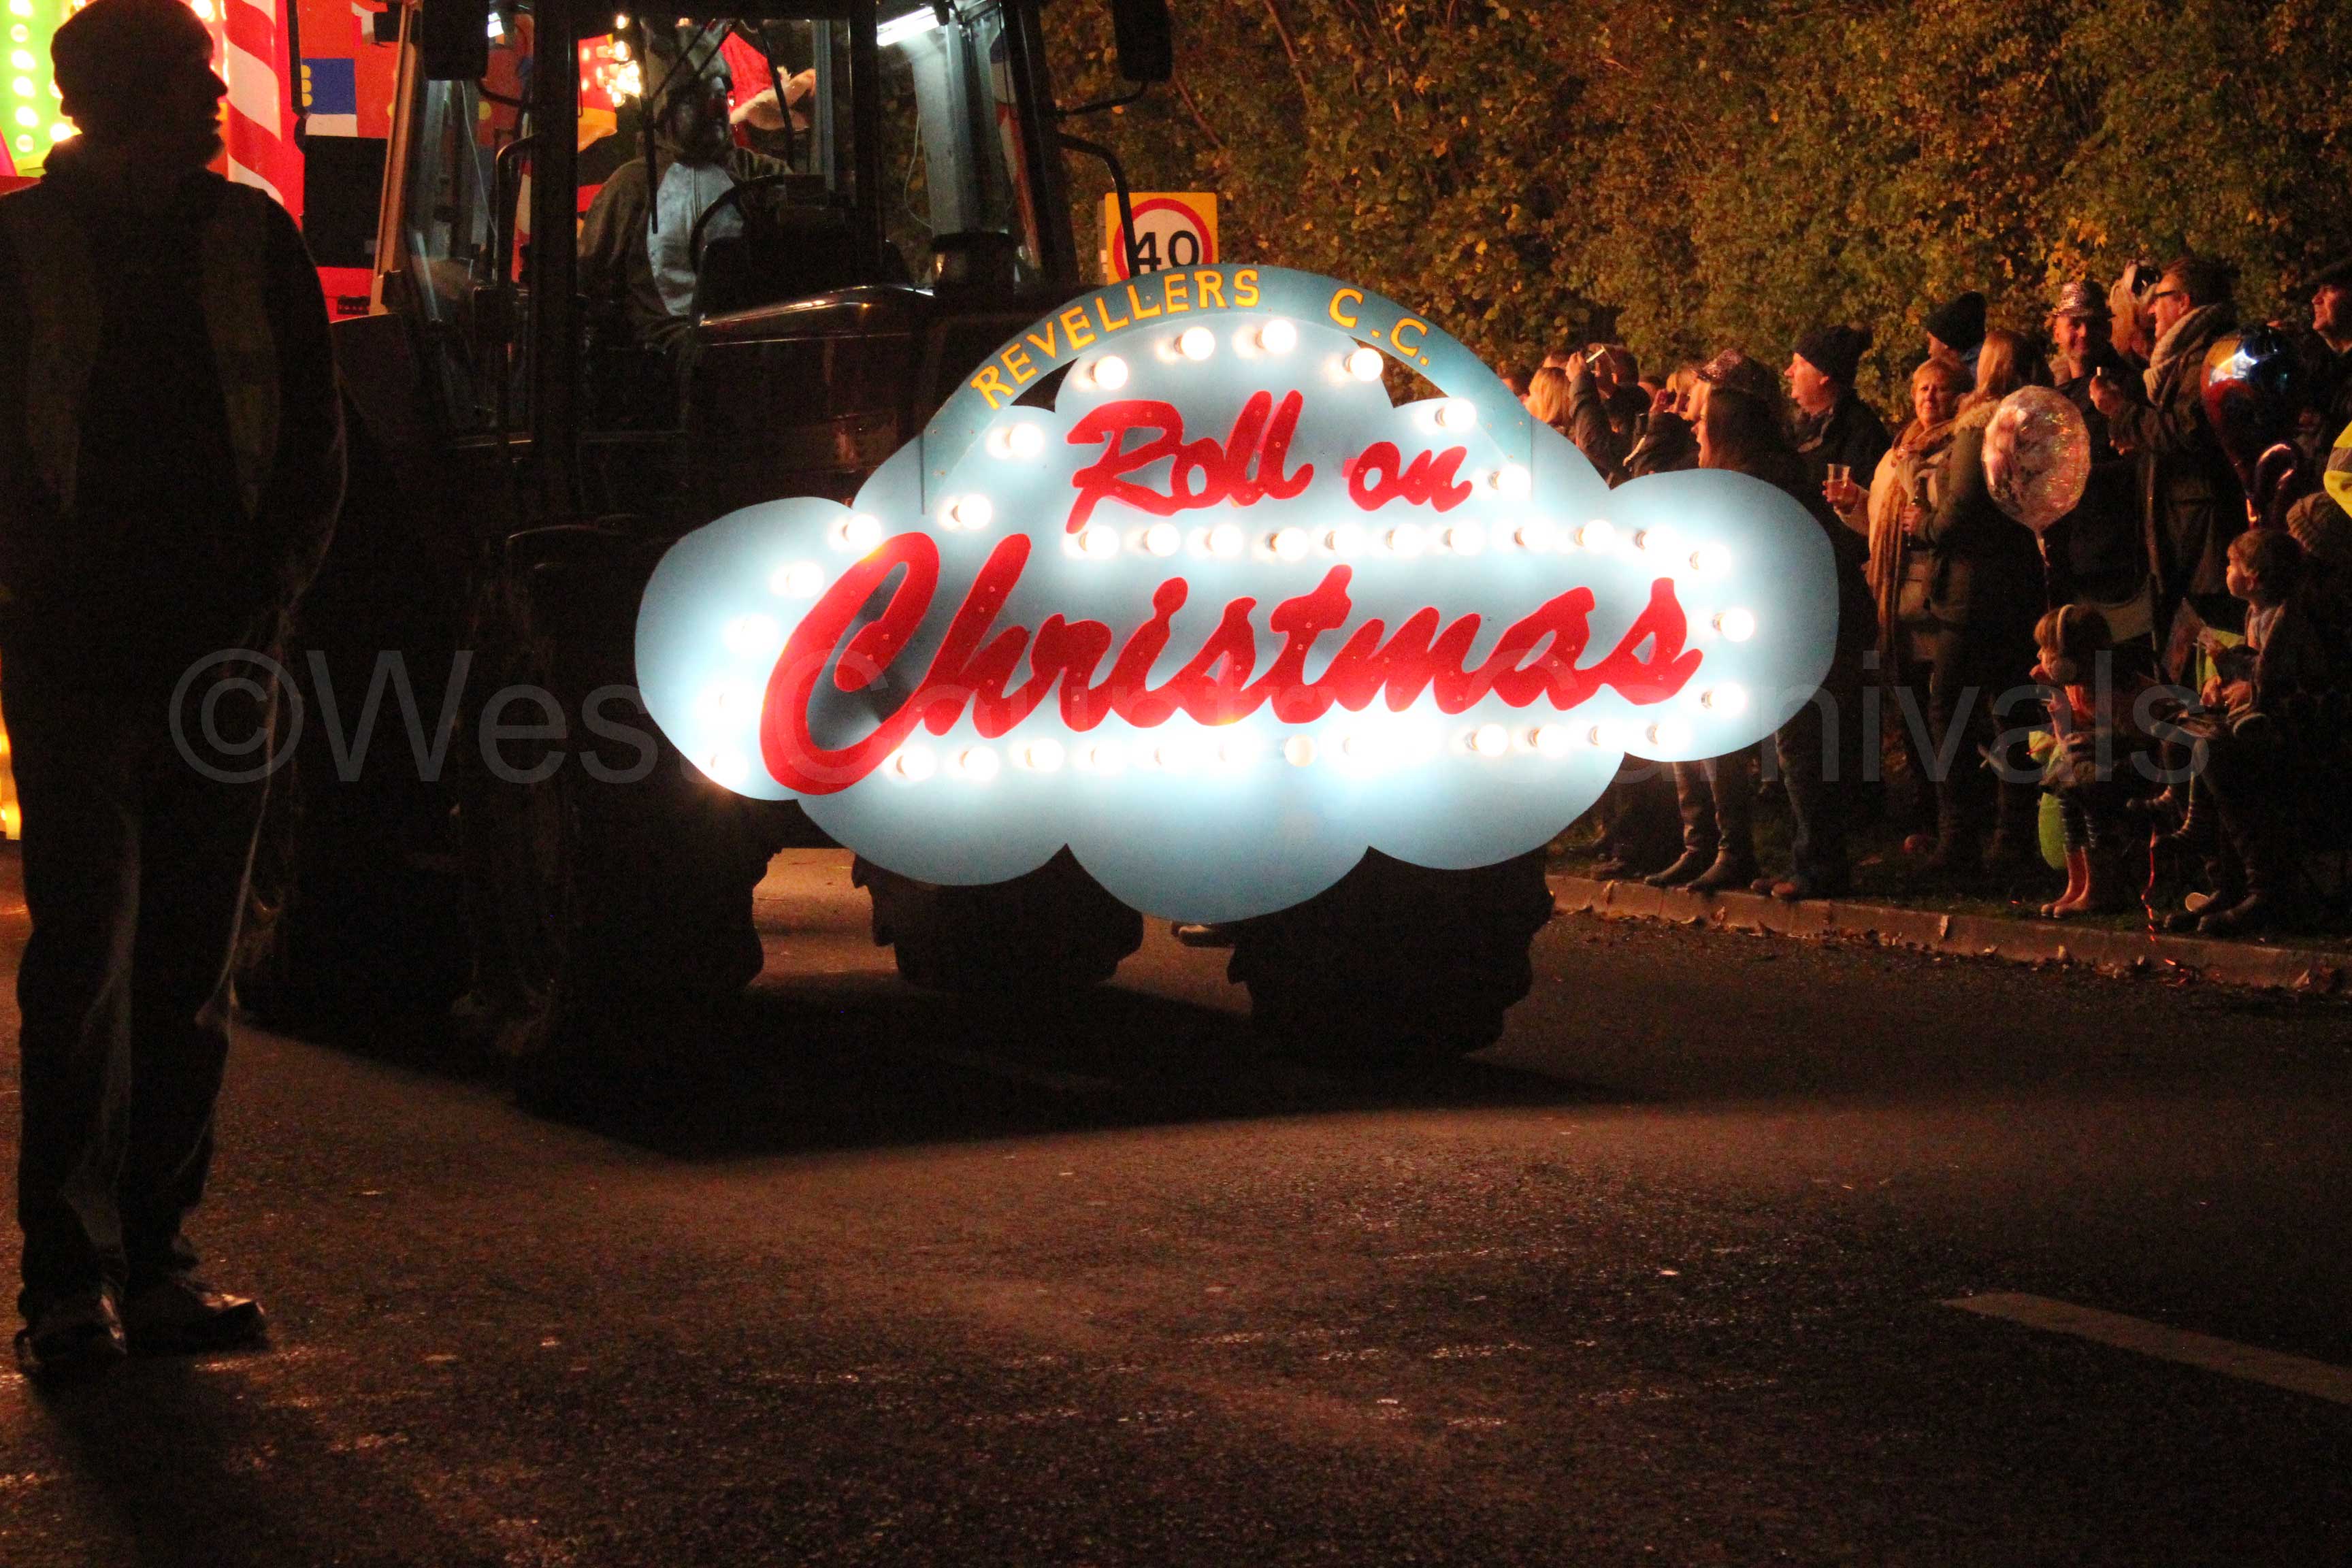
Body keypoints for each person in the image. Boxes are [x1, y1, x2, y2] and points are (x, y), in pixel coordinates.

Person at [0, 0, 342, 1377]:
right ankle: (68, 1283)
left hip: (219, 655)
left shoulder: (254, 239)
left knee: (188, 969)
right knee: (86, 966)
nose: (215, 97)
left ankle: (154, 1263)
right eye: (193, 77)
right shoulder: (19, 246)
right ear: (120, 96)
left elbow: (311, 441)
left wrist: (270, 597)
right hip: (77, 657)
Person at [1698, 386, 1876, 898]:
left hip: (1809, 624)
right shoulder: (1771, 474)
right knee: (1800, 743)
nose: (1695, 428)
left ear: (1725, 429)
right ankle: (1810, 861)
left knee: (1802, 745)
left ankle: (1819, 869)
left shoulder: (1756, 483)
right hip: (1813, 620)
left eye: (1703, 419)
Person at [1909, 331, 2051, 884]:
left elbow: (1960, 511)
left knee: (1949, 712)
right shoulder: (2040, 426)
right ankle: (2014, 839)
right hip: (2019, 586)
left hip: (1972, 594)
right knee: (2013, 711)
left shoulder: (1981, 427)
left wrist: (1923, 525)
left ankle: (1959, 842)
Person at [2162, 529, 2334, 934]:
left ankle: (2264, 890)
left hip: (2293, 732)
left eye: (2230, 564)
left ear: (2253, 578)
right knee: (2179, 741)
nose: (2225, 571)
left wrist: (2243, 682)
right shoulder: (2254, 614)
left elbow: (2277, 677)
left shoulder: (2292, 617)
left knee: (2216, 753)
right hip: (2259, 718)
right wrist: (2222, 682)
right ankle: (2224, 879)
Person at [579, 29, 791, 355]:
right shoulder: (631, 187)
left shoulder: (762, 175)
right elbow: (589, 279)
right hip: (663, 352)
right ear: (666, 112)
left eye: (719, 95)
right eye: (695, 100)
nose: (714, 109)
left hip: (750, 336)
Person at [1831, 357, 1971, 845]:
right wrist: (1854, 503)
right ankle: (1925, 807)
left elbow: (1950, 517)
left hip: (1935, 595)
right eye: (1923, 388)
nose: (1929, 397)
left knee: (1944, 713)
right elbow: (1879, 525)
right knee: (1910, 709)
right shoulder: (1898, 450)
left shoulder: (1960, 447)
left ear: (1958, 396)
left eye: (1940, 388)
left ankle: (1956, 817)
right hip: (1895, 600)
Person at [2091, 252, 2248, 636]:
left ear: (2184, 302)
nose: (2150, 310)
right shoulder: (2188, 355)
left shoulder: (2208, 356)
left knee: (2208, 645)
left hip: (2201, 539)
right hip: (2187, 532)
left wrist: (2120, 411)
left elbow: (2188, 432)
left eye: (2160, 298)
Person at [2042, 280, 2151, 645]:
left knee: (2110, 656)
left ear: (2107, 329)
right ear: (2058, 331)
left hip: (2111, 555)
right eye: (2075, 323)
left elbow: (2137, 463)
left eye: (2093, 323)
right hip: (2068, 554)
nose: (2084, 333)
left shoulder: (2125, 388)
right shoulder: (2056, 394)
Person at [2029, 606, 2155, 918]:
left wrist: (2091, 742)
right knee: (2066, 780)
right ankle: (2079, 882)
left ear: (2070, 658)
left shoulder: (2115, 689)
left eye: (2047, 648)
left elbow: (2138, 740)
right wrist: (2058, 707)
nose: (2041, 655)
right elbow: (2067, 743)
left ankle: (2102, 886)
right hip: (2107, 758)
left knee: (2086, 784)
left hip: (2145, 761)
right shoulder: (2076, 687)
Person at [1787, 324, 1891, 497]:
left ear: (1824, 375)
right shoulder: (1800, 428)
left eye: (1798, 365)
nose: (1788, 372)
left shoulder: (1862, 434)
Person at [1924, 291, 1987, 378]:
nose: (1929, 351)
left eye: (1930, 341)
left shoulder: (1970, 376)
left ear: (1945, 341)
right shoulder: (1987, 359)